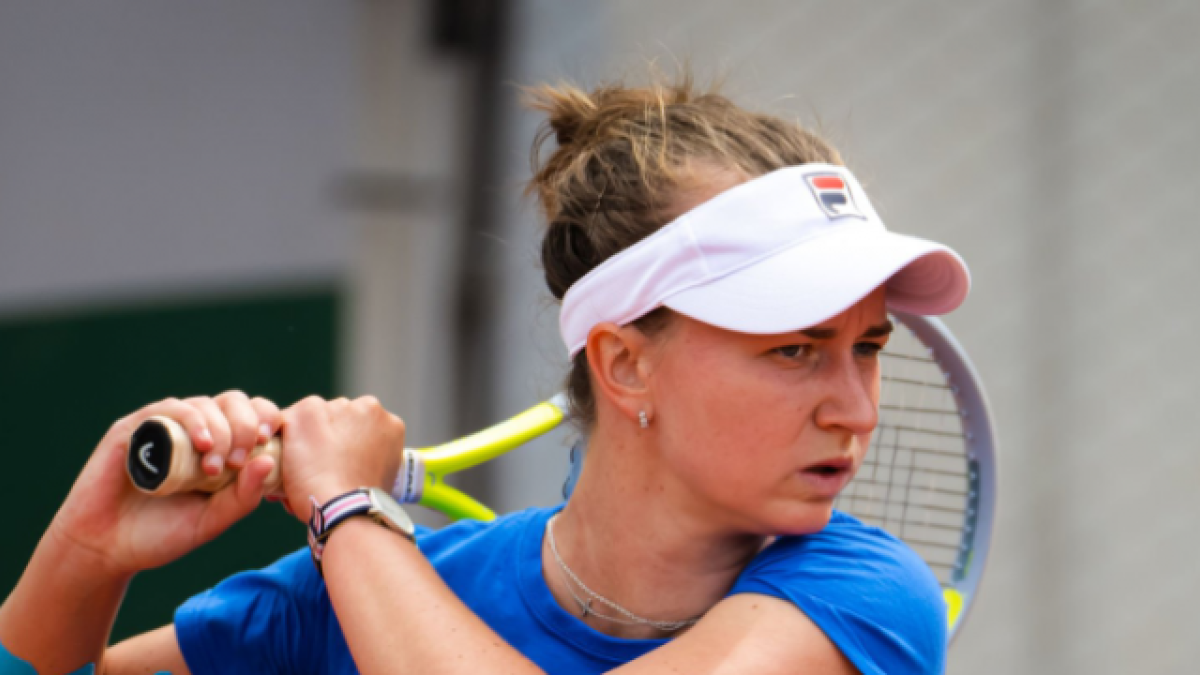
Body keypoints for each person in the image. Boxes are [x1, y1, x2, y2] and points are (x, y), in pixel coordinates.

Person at [0, 77, 970, 675]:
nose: (854, 409)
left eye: (868, 348)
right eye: (794, 349)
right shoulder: (347, 597)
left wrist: (345, 507)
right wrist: (92, 549)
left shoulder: (865, 598)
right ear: (626, 364)